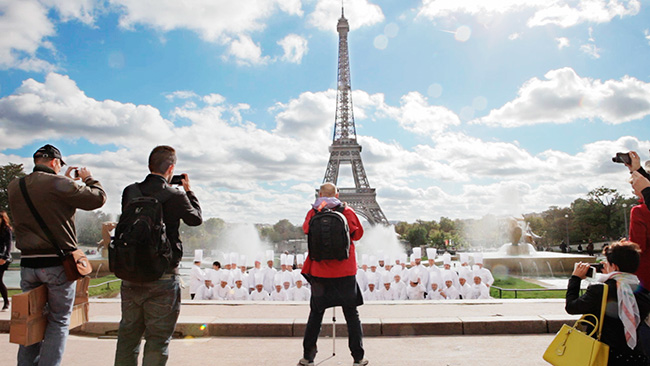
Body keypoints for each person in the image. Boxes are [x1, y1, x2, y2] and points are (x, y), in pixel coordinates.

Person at [8, 144, 107, 366]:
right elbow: (97, 199)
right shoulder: (59, 183)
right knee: (59, 321)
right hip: (57, 264)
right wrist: (88, 178)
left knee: (30, 318)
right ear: (55, 163)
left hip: (28, 264)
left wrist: (63, 179)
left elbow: (45, 196)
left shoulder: (16, 185)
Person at [114, 145, 202, 366]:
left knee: (127, 337)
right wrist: (189, 191)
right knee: (158, 340)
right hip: (163, 273)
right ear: (171, 168)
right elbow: (196, 219)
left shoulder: (130, 191)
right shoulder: (176, 195)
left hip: (131, 272)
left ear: (149, 165)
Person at [298, 183, 367, 366]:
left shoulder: (313, 212)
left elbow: (306, 230)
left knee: (316, 315)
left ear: (319, 194)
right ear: (337, 194)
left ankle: (308, 357)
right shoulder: (347, 211)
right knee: (352, 315)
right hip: (344, 271)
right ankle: (358, 358)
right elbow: (358, 234)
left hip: (320, 271)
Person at [566, 241, 650, 365]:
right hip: (635, 357)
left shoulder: (599, 290)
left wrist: (575, 279)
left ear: (614, 266)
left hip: (604, 356)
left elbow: (571, 307)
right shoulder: (643, 292)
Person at [0, 211, 13, 311]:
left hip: (2, 258)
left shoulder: (6, 229)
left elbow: (8, 245)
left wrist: (4, 257)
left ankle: (6, 303)